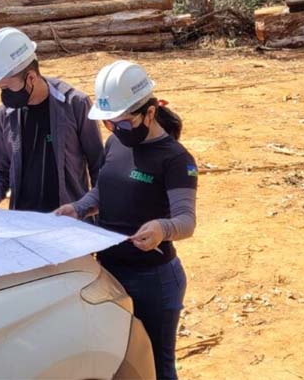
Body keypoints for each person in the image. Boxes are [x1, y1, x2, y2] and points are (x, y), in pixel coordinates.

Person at [55, 60, 198, 380]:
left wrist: (163, 228)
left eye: (121, 123)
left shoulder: (175, 159)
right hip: (109, 270)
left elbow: (186, 220)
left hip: (153, 280)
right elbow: (102, 193)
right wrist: (77, 209)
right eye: (109, 124)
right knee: (118, 358)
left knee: (157, 367)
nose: (114, 130)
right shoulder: (115, 142)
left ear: (150, 112)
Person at [0, 27, 103, 213]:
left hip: (70, 223)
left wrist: (87, 208)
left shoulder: (74, 105)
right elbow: (0, 172)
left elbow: (99, 165)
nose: (4, 95)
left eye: (7, 88)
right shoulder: (4, 116)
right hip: (24, 226)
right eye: (0, 88)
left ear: (31, 77)